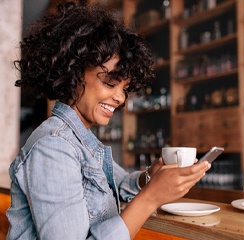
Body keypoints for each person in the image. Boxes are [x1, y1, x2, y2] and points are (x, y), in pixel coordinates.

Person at [6, 2, 211, 240]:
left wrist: (149, 178)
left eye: (125, 88)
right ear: (73, 74)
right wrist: (151, 197)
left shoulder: (81, 141)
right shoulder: (54, 147)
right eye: (110, 83)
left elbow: (120, 183)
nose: (120, 97)